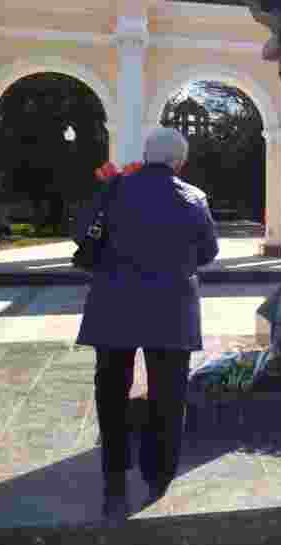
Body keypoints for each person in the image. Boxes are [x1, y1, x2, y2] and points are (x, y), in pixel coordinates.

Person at [75, 127, 219, 520]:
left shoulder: (115, 188)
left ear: (146, 154)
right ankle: (159, 471)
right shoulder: (193, 197)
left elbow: (81, 234)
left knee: (111, 388)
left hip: (114, 301)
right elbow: (208, 251)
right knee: (168, 392)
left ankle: (115, 472)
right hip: (171, 306)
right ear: (180, 162)